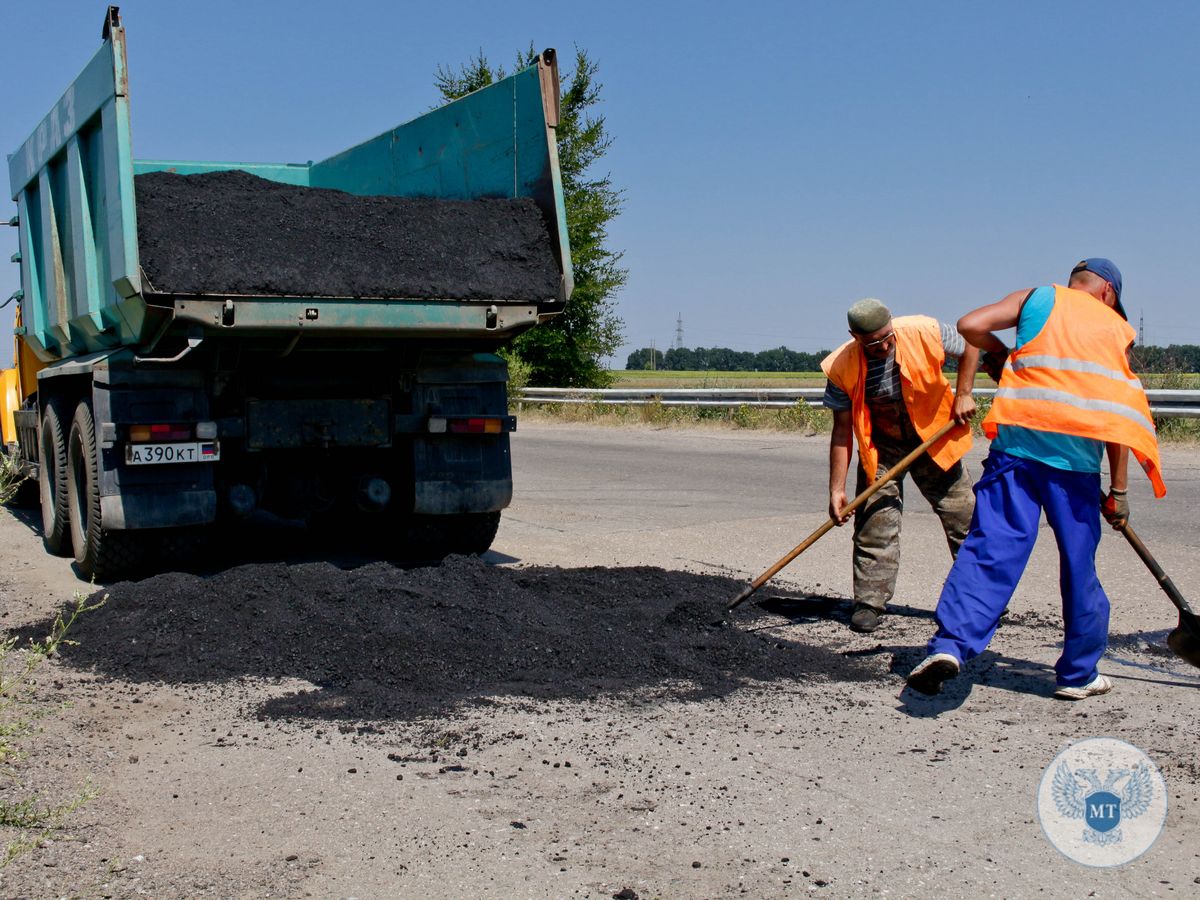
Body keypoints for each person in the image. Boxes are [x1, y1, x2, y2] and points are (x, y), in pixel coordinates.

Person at [906, 259, 1165, 699]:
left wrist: (1004, 356)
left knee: (990, 548)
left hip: (1016, 452)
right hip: (1075, 467)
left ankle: (950, 646)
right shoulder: (1116, 328)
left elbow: (970, 324)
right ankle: (1078, 675)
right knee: (1079, 566)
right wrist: (1118, 492)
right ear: (1108, 293)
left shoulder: (1039, 298)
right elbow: (1119, 419)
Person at [822, 298, 979, 633]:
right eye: (873, 343)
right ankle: (869, 603)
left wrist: (964, 392)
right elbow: (841, 431)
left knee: (964, 517)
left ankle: (983, 598)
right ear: (854, 337)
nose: (883, 346)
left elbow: (971, 347)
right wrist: (836, 490)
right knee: (874, 524)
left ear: (891, 323)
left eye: (886, 337)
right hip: (883, 447)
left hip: (933, 437)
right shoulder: (841, 366)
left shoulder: (925, 331)